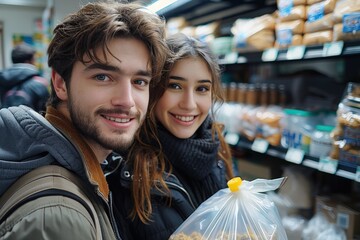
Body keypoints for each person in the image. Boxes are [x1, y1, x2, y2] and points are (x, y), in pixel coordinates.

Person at [0, 1, 169, 239]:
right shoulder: (58, 219)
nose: (127, 101)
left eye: (139, 81)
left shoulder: (83, 169)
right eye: (103, 76)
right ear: (61, 84)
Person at [108, 32, 235, 240]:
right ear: (154, 87)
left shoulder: (217, 148)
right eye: (175, 86)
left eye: (202, 88)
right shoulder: (128, 169)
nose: (189, 104)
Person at [0, 43, 49, 112]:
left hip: (5, 121)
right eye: (34, 59)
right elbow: (46, 111)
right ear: (29, 61)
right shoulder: (39, 82)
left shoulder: (2, 80)